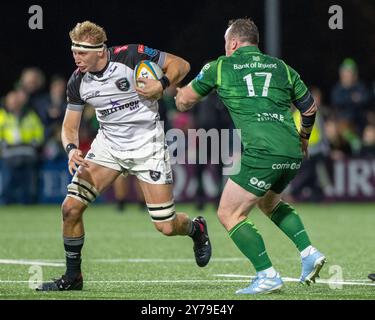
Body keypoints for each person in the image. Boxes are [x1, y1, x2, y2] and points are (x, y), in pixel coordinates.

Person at [37, 21, 211, 291]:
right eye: (74, 51)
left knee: (165, 226)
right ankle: (73, 278)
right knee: (70, 209)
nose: (76, 58)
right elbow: (69, 127)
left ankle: (196, 229)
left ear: (100, 51)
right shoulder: (77, 81)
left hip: (147, 145)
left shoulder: (130, 55)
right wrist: (72, 150)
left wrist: (161, 84)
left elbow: (182, 65)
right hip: (108, 147)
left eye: (82, 53)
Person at [176, 18, 326, 294]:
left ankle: (267, 274)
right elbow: (309, 108)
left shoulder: (221, 66)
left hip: (263, 152)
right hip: (291, 151)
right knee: (269, 203)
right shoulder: (282, 67)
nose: (226, 48)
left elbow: (185, 101)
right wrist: (304, 138)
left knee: (228, 213)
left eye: (226, 44)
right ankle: (309, 253)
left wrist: (175, 91)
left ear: (233, 43)